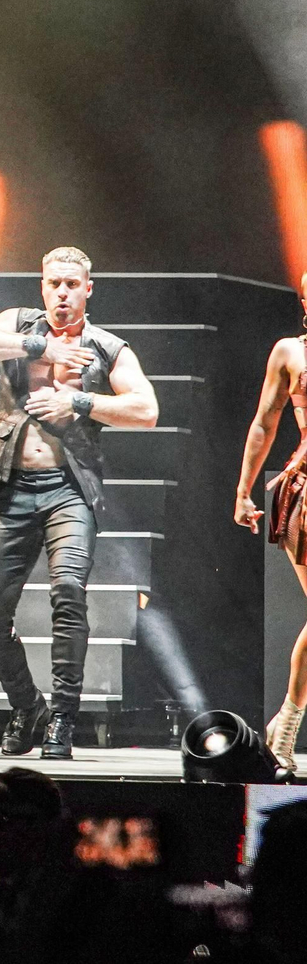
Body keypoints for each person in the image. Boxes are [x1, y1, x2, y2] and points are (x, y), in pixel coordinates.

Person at [0, 246, 158, 759]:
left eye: (72, 284)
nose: (62, 292)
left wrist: (79, 401)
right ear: (42, 286)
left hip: (69, 490)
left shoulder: (108, 347)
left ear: (89, 288)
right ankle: (28, 707)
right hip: (12, 487)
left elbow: (146, 409)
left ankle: (62, 720)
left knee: (69, 592)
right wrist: (40, 349)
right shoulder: (18, 325)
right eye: (54, 283)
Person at [234, 271, 307, 773]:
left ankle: (283, 727)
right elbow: (265, 419)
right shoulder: (290, 352)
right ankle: (285, 729)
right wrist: (243, 489)